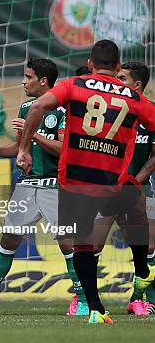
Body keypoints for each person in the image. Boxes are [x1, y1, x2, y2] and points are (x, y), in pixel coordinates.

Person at [16, 40, 155, 324]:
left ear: (90, 64)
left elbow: (38, 106)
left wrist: (24, 148)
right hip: (112, 179)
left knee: (82, 244)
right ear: (118, 67)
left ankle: (95, 308)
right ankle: (142, 271)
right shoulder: (131, 95)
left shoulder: (73, 85)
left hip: (75, 180)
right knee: (136, 202)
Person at [0, 59, 87, 317]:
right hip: (26, 184)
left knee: (68, 242)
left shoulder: (63, 109)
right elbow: (21, 147)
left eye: (28, 76)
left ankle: (82, 299)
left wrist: (32, 134)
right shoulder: (26, 108)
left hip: (53, 186)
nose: (23, 81)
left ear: (43, 81)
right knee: (8, 239)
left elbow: (63, 150)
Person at [92, 61, 155, 315]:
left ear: (137, 85)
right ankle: (87, 301)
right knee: (93, 244)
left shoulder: (149, 113)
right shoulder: (108, 112)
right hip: (108, 188)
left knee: (147, 246)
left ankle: (139, 299)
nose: (117, 82)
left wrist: (134, 183)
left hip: (140, 189)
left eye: (122, 78)